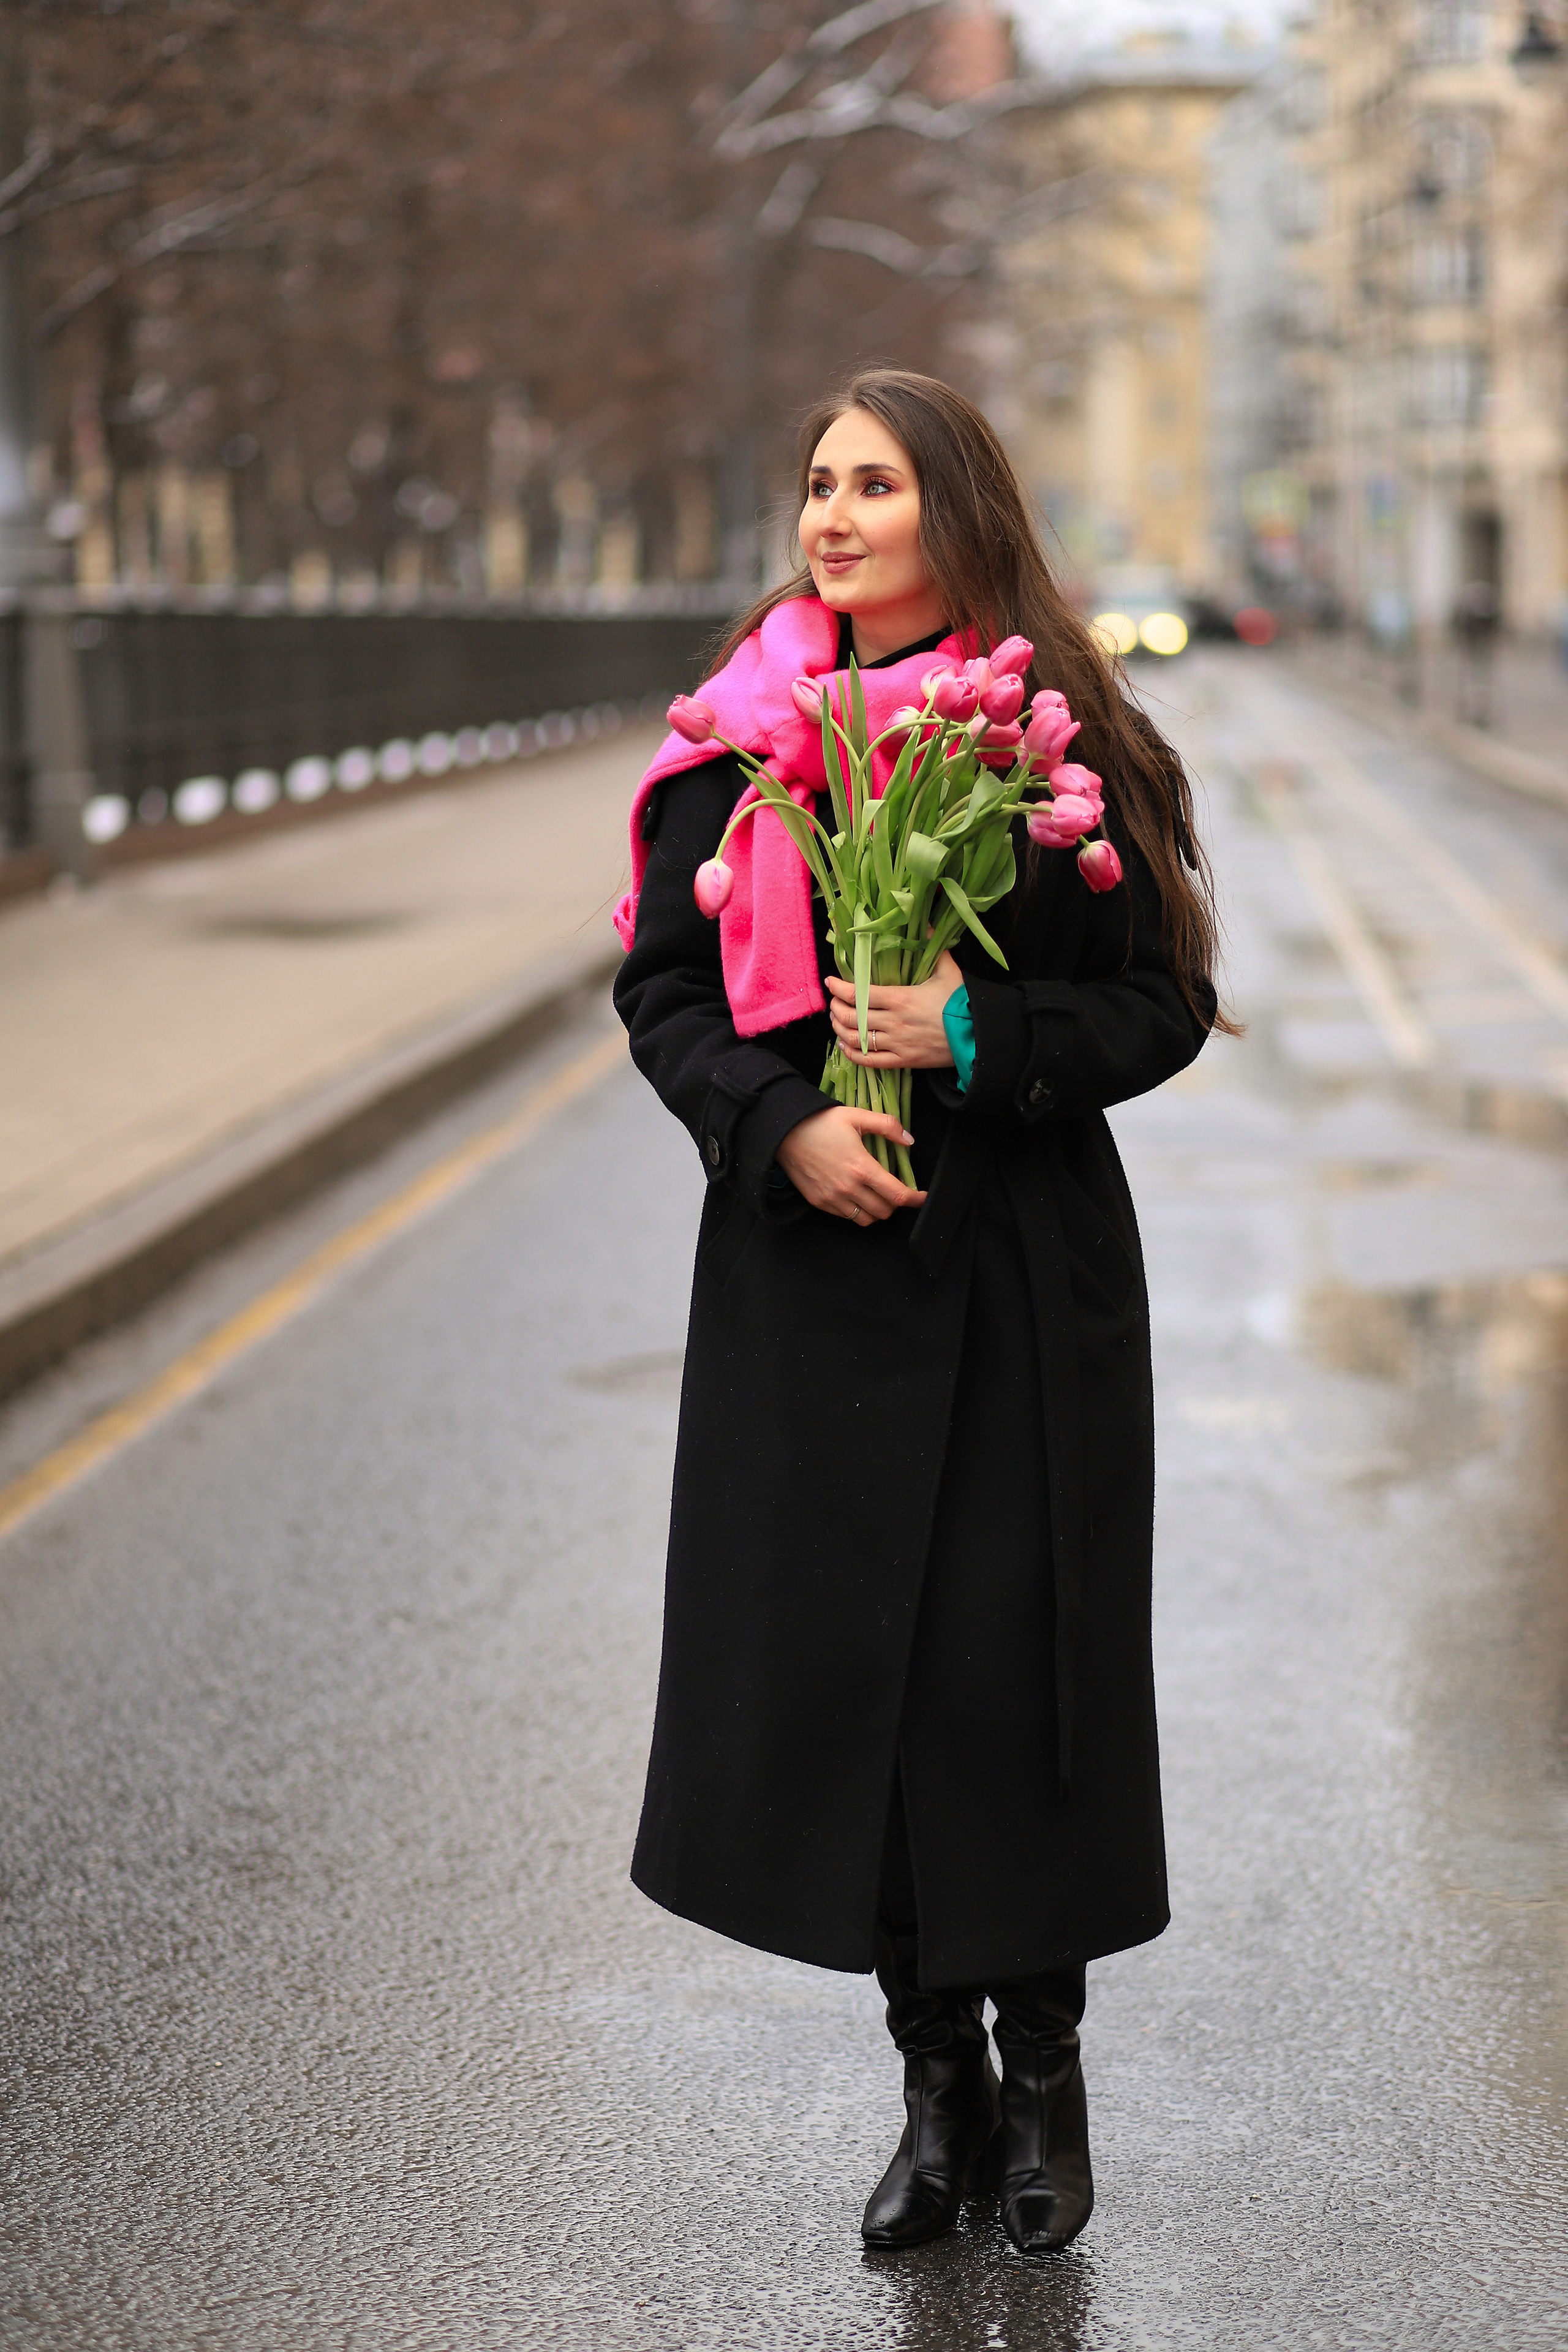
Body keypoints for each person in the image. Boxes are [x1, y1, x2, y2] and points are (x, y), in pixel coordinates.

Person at [612, 369, 1229, 2256]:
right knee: (858, 1695)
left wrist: (975, 1031)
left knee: (1005, 1683)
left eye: (875, 484)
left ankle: (1044, 2079)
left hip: (1022, 1280)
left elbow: (1162, 1005)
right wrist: (782, 1123)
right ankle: (936, 2089)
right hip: (812, 1287)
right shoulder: (738, 746)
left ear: (957, 513)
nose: (834, 514)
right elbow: (666, 996)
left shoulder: (1059, 740)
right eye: (820, 484)